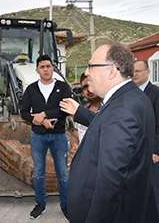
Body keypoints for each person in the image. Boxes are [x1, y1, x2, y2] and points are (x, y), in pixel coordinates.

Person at [63, 44, 157, 223]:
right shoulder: (128, 98)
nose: (87, 73)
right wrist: (80, 112)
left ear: (112, 71)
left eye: (91, 66)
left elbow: (110, 183)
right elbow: (106, 127)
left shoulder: (123, 109)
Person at [21, 54, 72, 219]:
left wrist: (43, 114)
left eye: (49, 66)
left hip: (58, 136)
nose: (46, 69)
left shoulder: (63, 87)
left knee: (63, 173)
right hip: (38, 136)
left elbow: (66, 107)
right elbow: (23, 112)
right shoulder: (31, 89)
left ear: (53, 68)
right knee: (39, 173)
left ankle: (65, 205)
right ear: (37, 70)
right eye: (42, 67)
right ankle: (40, 204)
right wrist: (39, 121)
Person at [133, 59, 159, 215]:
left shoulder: (156, 93)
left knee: (154, 188)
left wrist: (156, 150)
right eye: (133, 71)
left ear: (147, 72)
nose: (134, 74)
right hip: (134, 150)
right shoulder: (130, 94)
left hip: (151, 152)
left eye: (138, 71)